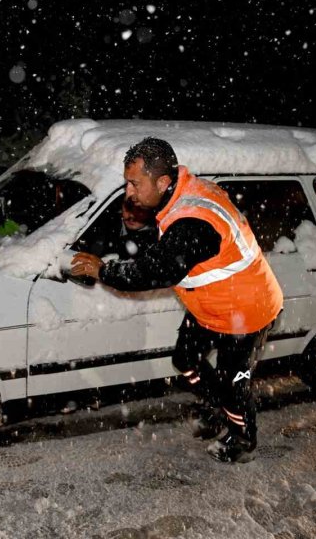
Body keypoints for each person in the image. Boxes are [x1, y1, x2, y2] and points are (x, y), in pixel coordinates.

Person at [71, 137, 284, 463]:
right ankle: (218, 407)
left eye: (134, 183)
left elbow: (157, 271)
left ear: (163, 181)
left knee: (233, 381)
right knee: (186, 359)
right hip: (210, 306)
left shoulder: (193, 221)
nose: (128, 191)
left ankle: (242, 439)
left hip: (246, 310)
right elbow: (167, 250)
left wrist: (104, 270)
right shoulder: (180, 194)